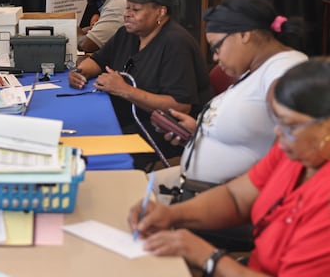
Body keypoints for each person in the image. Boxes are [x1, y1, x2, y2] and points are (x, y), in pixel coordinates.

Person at [128, 58, 330, 276]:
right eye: (277, 122)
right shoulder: (293, 153)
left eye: (290, 125)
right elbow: (237, 198)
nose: (278, 133)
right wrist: (170, 214)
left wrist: (208, 257)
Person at [156, 0, 308, 199]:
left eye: (216, 46)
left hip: (226, 199)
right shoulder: (254, 69)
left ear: (244, 34)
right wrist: (197, 134)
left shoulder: (285, 69)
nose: (215, 57)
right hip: (199, 188)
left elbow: (291, 151)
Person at [68, 0, 212, 168]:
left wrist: (124, 90)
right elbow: (98, 60)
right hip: (125, 117)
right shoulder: (126, 34)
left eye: (135, 10)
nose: (127, 14)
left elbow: (180, 107)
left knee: (91, 155)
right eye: (127, 8)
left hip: (159, 129)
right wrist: (80, 72)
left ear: (161, 11)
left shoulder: (176, 44)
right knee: (78, 131)